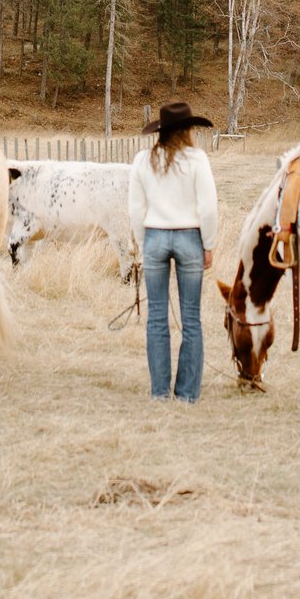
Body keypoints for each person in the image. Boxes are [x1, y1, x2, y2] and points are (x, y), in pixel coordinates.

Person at [129, 102, 218, 402]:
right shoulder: (197, 159)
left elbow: (135, 209)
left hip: (154, 235)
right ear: (187, 130)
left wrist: (142, 245)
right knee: (191, 318)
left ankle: (159, 392)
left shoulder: (143, 159)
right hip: (189, 237)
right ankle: (187, 394)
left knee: (156, 318)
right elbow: (207, 207)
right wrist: (209, 244)